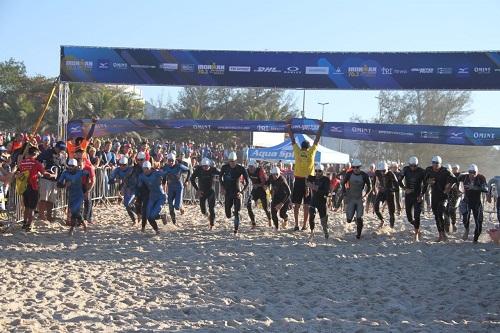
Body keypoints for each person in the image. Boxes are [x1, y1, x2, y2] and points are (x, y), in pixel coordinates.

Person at [287, 120, 324, 231]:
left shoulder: (297, 151)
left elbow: (292, 139)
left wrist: (289, 127)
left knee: (297, 204)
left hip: (298, 180)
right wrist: (320, 127)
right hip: (309, 180)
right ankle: (304, 225)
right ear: (308, 147)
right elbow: (317, 140)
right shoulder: (311, 152)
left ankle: (296, 225)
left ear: (301, 146)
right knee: (306, 205)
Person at [17, 146, 55, 231]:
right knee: (32, 208)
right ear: (35, 154)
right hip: (33, 186)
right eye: (37, 154)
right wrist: (53, 175)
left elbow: (20, 172)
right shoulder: (36, 163)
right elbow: (45, 174)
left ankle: (24, 223)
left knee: (26, 206)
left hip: (24, 187)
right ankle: (29, 224)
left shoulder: (22, 163)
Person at [423, 156, 456, 242]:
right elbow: (425, 181)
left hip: (444, 196)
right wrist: (428, 182)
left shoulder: (445, 171)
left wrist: (448, 187)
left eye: (437, 163)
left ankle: (444, 233)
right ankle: (441, 234)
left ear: (440, 164)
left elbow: (455, 179)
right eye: (433, 163)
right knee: (437, 216)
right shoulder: (428, 170)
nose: (435, 165)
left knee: (440, 212)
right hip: (434, 196)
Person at [219, 152, 249, 235]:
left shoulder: (241, 168)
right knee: (228, 214)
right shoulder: (224, 167)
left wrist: (242, 192)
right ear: (228, 161)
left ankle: (236, 229)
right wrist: (222, 187)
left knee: (237, 211)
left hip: (237, 192)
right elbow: (220, 177)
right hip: (228, 192)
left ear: (236, 161)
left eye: (233, 161)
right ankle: (235, 215)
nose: (232, 163)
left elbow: (247, 182)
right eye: (230, 161)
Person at [457, 164, 488, 242]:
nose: (472, 174)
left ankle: (475, 239)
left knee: (478, 222)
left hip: (476, 202)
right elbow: (455, 179)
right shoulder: (464, 177)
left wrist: (475, 188)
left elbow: (486, 189)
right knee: (465, 218)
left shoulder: (481, 178)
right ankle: (466, 230)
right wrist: (458, 190)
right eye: (470, 172)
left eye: (474, 172)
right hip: (466, 201)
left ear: (477, 172)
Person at [57, 158, 89, 235]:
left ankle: (72, 228)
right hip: (71, 194)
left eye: (72, 166)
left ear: (76, 166)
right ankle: (82, 223)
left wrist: (85, 188)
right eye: (69, 166)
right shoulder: (65, 173)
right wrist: (65, 185)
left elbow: (88, 174)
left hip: (79, 194)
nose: (70, 168)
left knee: (75, 210)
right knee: (73, 211)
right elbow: (58, 184)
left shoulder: (80, 172)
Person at [342, 159, 372, 239]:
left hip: (360, 199)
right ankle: (354, 220)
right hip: (351, 198)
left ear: (360, 167)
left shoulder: (364, 175)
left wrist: (365, 196)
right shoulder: (349, 174)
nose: (355, 169)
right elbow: (343, 183)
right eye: (354, 167)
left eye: (357, 167)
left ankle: (358, 235)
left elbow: (370, 187)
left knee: (360, 218)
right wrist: (345, 193)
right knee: (348, 220)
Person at [399, 156, 426, 241]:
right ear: (409, 164)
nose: (413, 168)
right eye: (411, 166)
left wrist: (422, 195)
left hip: (417, 196)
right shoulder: (405, 169)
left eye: (415, 166)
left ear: (417, 165)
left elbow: (425, 184)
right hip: (408, 196)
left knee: (417, 215)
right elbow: (399, 180)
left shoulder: (421, 171)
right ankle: (416, 226)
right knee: (409, 217)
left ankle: (416, 233)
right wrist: (404, 188)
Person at [137, 161, 168, 235]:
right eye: (144, 169)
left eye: (147, 168)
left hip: (160, 197)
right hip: (152, 197)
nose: (145, 170)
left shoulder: (156, 173)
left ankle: (157, 230)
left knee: (152, 216)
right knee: (148, 216)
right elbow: (139, 186)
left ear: (150, 168)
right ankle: (157, 229)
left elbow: (166, 173)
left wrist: (163, 181)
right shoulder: (141, 176)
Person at [191, 157, 220, 229]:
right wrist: (197, 189)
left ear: (209, 165)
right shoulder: (199, 169)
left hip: (211, 191)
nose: (205, 168)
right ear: (202, 166)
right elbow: (192, 179)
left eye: (207, 166)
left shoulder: (213, 169)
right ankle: (208, 216)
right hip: (202, 191)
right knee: (203, 210)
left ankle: (212, 224)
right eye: (204, 166)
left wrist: (223, 184)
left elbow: (222, 173)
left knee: (211, 208)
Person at [162, 152, 190, 225]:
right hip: (170, 188)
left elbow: (189, 170)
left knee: (177, 207)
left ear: (175, 161)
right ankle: (174, 222)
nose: (171, 162)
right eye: (169, 160)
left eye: (172, 161)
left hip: (178, 188)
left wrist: (187, 180)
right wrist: (163, 184)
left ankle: (180, 206)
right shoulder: (165, 167)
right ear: (167, 161)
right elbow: (164, 177)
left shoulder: (179, 166)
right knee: (171, 207)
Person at [108, 156, 137, 224]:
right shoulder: (117, 170)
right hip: (127, 188)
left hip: (134, 188)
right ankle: (135, 219)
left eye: (124, 165)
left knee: (129, 203)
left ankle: (140, 214)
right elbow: (110, 180)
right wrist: (116, 180)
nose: (122, 166)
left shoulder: (131, 169)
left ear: (127, 165)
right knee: (127, 205)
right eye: (120, 165)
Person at [307, 163, 331, 239]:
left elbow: (326, 192)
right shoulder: (313, 178)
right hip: (314, 200)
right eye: (316, 171)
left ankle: (325, 231)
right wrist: (307, 186)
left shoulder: (326, 179)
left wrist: (314, 187)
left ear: (323, 171)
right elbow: (306, 177)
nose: (317, 173)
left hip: (322, 201)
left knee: (323, 221)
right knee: (311, 215)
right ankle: (312, 231)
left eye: (319, 171)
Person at [246, 160, 272, 228]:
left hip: (262, 190)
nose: (250, 169)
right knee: (248, 205)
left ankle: (269, 219)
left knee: (265, 208)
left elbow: (264, 183)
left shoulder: (260, 171)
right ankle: (253, 223)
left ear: (255, 167)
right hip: (255, 190)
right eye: (249, 167)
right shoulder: (248, 171)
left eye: (252, 167)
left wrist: (258, 185)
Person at [373, 161, 399, 229]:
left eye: (384, 171)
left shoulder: (391, 174)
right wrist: (374, 188)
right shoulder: (377, 172)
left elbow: (397, 188)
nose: (382, 172)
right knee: (376, 207)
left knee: (391, 212)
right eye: (381, 171)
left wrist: (389, 189)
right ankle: (382, 220)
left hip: (389, 192)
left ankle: (391, 227)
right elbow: (373, 181)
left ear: (387, 169)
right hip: (381, 192)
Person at [74, 148, 95, 224]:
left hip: (86, 183)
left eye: (81, 152)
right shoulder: (73, 161)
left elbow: (93, 179)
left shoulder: (87, 162)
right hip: (77, 184)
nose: (80, 154)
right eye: (78, 152)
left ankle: (87, 218)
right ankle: (79, 219)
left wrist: (88, 190)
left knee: (87, 200)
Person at [268, 166, 291, 231]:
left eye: (276, 175)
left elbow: (289, 192)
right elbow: (267, 182)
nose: (275, 176)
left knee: (282, 214)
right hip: (276, 197)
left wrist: (282, 203)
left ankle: (286, 219)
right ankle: (277, 227)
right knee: (273, 213)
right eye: (273, 175)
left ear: (279, 174)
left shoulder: (282, 180)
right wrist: (266, 186)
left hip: (284, 198)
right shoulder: (271, 177)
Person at [445, 164, 463, 232]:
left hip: (455, 197)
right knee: (445, 212)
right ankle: (447, 228)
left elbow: (460, 190)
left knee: (452, 211)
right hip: (446, 197)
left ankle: (453, 223)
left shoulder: (455, 177)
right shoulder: (442, 177)